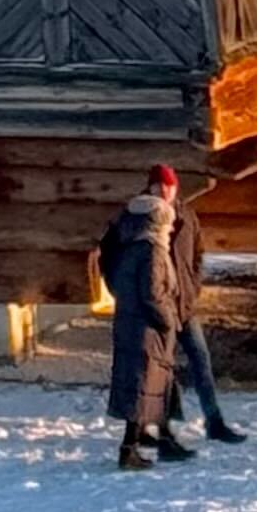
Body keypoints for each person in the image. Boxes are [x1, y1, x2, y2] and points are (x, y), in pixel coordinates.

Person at [99, 162, 195, 471]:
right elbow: (153, 293)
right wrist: (168, 319)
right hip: (147, 327)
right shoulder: (151, 250)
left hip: (134, 323)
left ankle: (159, 439)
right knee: (143, 386)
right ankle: (129, 449)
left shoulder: (132, 241)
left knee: (153, 384)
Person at [168, 185, 246, 445]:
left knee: (200, 359)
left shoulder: (187, 215)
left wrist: (193, 286)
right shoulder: (144, 218)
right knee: (161, 367)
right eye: (160, 186)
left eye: (169, 186)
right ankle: (165, 424)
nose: (166, 191)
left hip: (186, 304)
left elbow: (198, 253)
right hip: (159, 305)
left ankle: (214, 421)